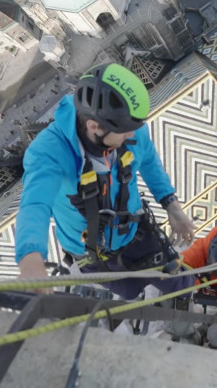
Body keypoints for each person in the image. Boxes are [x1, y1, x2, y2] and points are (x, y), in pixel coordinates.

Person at [15, 63, 196, 299]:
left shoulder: (131, 130)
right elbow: (35, 204)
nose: (133, 135)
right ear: (95, 127)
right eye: (125, 130)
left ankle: (188, 297)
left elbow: (150, 161)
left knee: (179, 282)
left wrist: (172, 205)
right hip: (90, 253)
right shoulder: (49, 152)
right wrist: (31, 259)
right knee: (129, 292)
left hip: (134, 232)